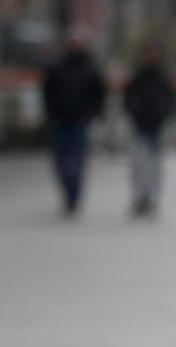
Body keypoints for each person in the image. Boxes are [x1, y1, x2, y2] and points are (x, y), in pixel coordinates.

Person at [42, 24, 106, 216]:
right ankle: (67, 194)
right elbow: (47, 92)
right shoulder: (57, 66)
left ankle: (74, 198)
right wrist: (51, 113)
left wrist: (91, 114)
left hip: (79, 122)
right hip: (60, 121)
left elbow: (99, 94)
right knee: (60, 162)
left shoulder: (91, 68)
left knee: (77, 162)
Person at [123, 44, 176, 217]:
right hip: (140, 127)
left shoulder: (162, 78)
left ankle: (150, 198)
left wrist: (163, 114)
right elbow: (128, 99)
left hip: (156, 127)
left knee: (154, 166)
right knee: (139, 165)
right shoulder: (137, 78)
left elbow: (172, 99)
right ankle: (140, 197)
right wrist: (135, 113)